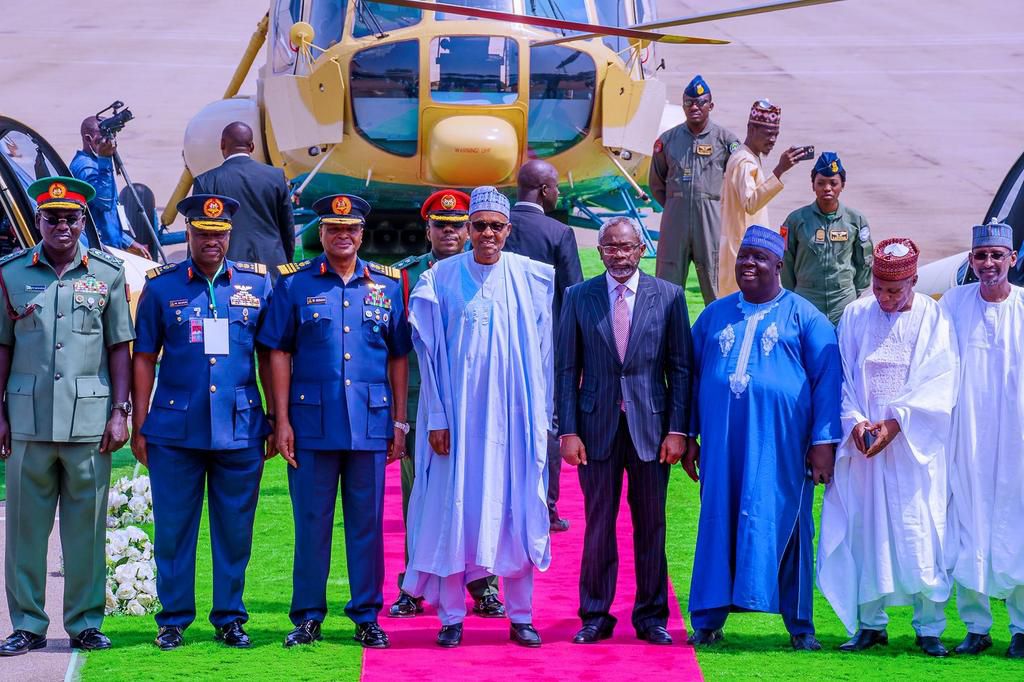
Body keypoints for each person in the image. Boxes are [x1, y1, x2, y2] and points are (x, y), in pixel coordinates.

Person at [257, 193, 411, 650]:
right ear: (320, 234)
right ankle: (307, 617)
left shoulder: (388, 284)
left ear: (362, 234)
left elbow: (399, 356)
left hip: (369, 423)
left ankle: (366, 615)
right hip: (310, 425)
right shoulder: (294, 284)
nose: (342, 236)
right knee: (311, 523)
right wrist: (281, 419)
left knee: (366, 524)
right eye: (333, 229)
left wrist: (400, 422)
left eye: (351, 230)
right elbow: (277, 351)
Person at [402, 186, 553, 648]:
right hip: (458, 425)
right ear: (468, 229)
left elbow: (545, 353)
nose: (487, 233)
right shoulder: (440, 279)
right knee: (454, 510)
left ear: (508, 230)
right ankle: (451, 617)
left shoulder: (532, 277)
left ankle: (521, 614)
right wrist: (438, 419)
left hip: (514, 420)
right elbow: (428, 359)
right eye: (479, 225)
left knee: (517, 508)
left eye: (496, 226)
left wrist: (542, 417)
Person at [683, 225, 842, 651]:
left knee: (789, 525)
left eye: (758, 258)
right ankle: (708, 620)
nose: (748, 264)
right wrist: (690, 435)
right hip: (722, 447)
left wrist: (824, 443)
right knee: (717, 524)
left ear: (778, 265)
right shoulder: (715, 315)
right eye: (743, 257)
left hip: (782, 449)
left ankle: (801, 626)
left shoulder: (806, 318)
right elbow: (690, 378)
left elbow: (828, 383)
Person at [131, 194, 274, 651]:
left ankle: (229, 616)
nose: (211, 241)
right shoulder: (161, 287)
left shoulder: (257, 285)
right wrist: (140, 419)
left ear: (230, 235)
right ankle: (173, 619)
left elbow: (271, 355)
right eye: (202, 233)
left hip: (240, 427)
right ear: (188, 234)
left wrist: (277, 416)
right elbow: (143, 357)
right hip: (175, 430)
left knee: (235, 530)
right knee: (174, 529)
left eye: (219, 234)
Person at [0, 177, 134, 656]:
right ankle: (27, 624)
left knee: (88, 528)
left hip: (89, 423)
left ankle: (84, 622)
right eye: (51, 217)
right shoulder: (11, 272)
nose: (61, 225)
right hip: (27, 420)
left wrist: (120, 412)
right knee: (24, 531)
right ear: (37, 220)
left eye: (70, 217)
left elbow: (120, 345)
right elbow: (2, 345)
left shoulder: (108, 272)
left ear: (84, 221)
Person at [818, 238, 958, 657]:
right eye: (879, 287)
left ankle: (929, 627)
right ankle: (871, 625)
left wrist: (896, 424)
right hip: (863, 447)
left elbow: (941, 380)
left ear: (914, 281)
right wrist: (857, 424)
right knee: (865, 532)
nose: (885, 297)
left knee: (920, 530)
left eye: (895, 290)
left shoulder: (934, 316)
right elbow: (840, 376)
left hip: (915, 448)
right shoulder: (856, 313)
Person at [557, 217, 692, 646]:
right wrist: (568, 431)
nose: (619, 255)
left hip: (652, 431)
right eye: (610, 248)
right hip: (595, 430)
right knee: (599, 524)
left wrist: (678, 430)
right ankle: (595, 614)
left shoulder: (668, 297)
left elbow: (681, 369)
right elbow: (565, 369)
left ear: (641, 249)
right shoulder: (578, 297)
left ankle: (651, 617)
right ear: (599, 252)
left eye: (626, 247)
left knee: (651, 524)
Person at [389, 189, 504, 619]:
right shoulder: (404, 278)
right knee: (419, 493)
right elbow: (397, 351)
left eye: (458, 225)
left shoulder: (485, 273)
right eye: (442, 225)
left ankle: (482, 584)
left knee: (478, 491)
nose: (450, 232)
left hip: (476, 404)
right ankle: (413, 585)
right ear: (428, 229)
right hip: (422, 404)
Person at [940, 221, 1024, 659]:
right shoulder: (953, 304)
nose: (988, 263)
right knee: (968, 523)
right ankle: (976, 627)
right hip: (967, 436)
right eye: (980, 256)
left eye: (997, 255)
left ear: (1013, 259)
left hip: (1016, 440)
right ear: (971, 261)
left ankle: (1022, 627)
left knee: (1018, 525)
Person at [504, 159, 584, 532]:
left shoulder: (494, 228)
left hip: (499, 344)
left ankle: (502, 504)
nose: (558, 193)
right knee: (547, 425)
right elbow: (574, 296)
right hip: (544, 347)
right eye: (555, 187)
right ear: (544, 190)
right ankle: (547, 508)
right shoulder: (558, 232)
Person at [650, 75, 740, 304]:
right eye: (689, 102)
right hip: (675, 220)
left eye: (701, 102)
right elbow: (656, 184)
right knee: (667, 282)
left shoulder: (725, 140)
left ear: (711, 105)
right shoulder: (668, 140)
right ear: (683, 105)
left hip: (711, 218)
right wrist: (675, 205)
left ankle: (720, 334)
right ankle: (666, 335)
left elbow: (740, 178)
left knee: (715, 279)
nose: (695, 107)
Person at [719, 100, 806, 298]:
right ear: (751, 129)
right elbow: (750, 203)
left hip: (742, 248)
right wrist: (779, 170)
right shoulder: (744, 161)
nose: (773, 140)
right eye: (768, 134)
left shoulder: (750, 156)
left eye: (776, 134)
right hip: (742, 251)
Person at [781, 152, 873, 324]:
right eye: (821, 183)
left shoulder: (855, 220)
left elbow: (865, 260)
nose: (827, 188)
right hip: (807, 298)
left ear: (842, 185)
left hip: (843, 300)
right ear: (813, 185)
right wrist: (794, 294)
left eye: (833, 183)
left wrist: (854, 291)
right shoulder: (795, 220)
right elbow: (785, 261)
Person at [192, 122, 295, 274]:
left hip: (228, 271)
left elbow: (197, 233)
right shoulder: (276, 177)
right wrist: (284, 262)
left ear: (222, 144)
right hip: (272, 267)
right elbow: (287, 229)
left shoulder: (206, 181)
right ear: (252, 147)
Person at [69, 116, 150, 256]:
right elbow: (104, 202)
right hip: (98, 250)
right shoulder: (85, 167)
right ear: (88, 139)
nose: (109, 143)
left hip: (111, 246)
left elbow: (108, 216)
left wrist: (128, 242)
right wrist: (105, 160)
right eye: (102, 139)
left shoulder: (96, 161)